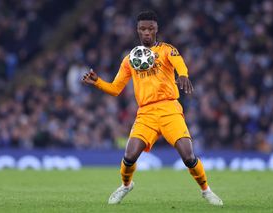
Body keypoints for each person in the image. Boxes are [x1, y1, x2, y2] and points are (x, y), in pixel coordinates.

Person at [82, 10, 223, 206]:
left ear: (156, 29)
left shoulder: (166, 50)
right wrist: (98, 82)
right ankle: (126, 185)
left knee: (188, 156)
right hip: (146, 113)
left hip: (169, 109)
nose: (147, 32)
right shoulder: (130, 58)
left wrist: (183, 74)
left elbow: (179, 62)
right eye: (142, 29)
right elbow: (115, 89)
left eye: (150, 28)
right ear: (137, 31)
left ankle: (206, 191)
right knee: (129, 156)